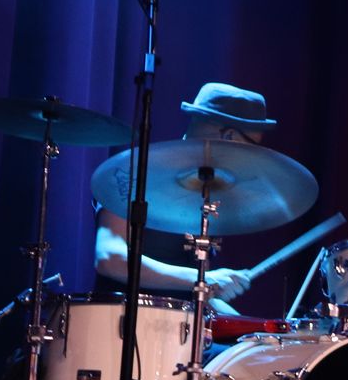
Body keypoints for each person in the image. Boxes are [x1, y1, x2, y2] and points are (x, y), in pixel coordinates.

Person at [94, 82, 276, 316]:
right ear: (228, 136)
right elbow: (109, 257)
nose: (252, 158)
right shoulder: (134, 173)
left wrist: (251, 328)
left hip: (179, 329)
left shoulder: (210, 192)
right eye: (252, 147)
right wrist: (203, 279)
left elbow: (198, 294)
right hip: (119, 323)